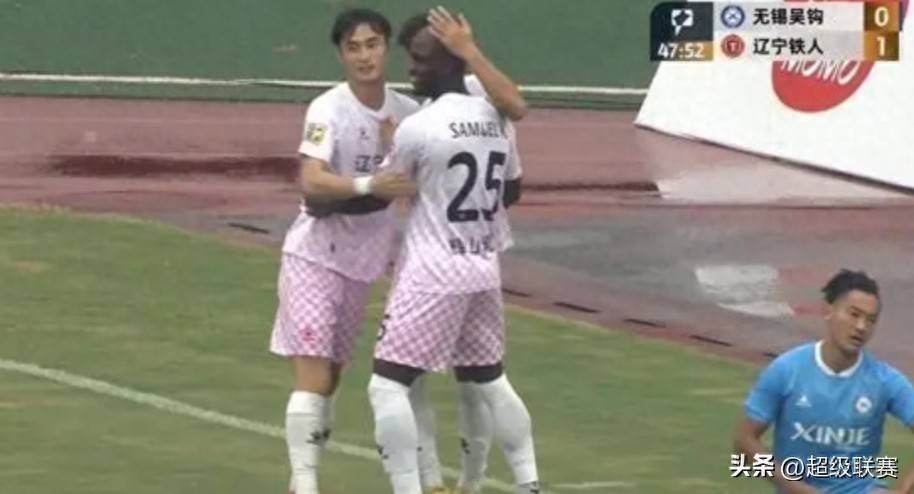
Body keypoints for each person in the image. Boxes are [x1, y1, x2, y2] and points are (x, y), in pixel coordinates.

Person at [270, 7, 528, 494]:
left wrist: (467, 51)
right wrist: (372, 183)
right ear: (340, 55)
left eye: (373, 45)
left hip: (375, 262)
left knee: (375, 377)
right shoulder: (328, 108)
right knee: (319, 376)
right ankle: (304, 484)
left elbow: (507, 106)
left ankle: (430, 482)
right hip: (316, 255)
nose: (364, 56)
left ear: (387, 50)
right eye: (353, 48)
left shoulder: (412, 113)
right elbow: (312, 184)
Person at [366, 13, 540, 494]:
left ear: (449, 62)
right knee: (489, 379)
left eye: (420, 59)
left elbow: (387, 186)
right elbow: (511, 190)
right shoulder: (493, 118)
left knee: (387, 384)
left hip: (432, 270)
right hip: (481, 263)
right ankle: (528, 482)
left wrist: (388, 158)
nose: (411, 69)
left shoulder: (418, 127)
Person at [733, 270, 914, 494]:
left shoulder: (885, 381)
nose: (861, 327)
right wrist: (795, 488)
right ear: (828, 310)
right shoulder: (787, 370)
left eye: (870, 320)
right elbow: (744, 441)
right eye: (854, 314)